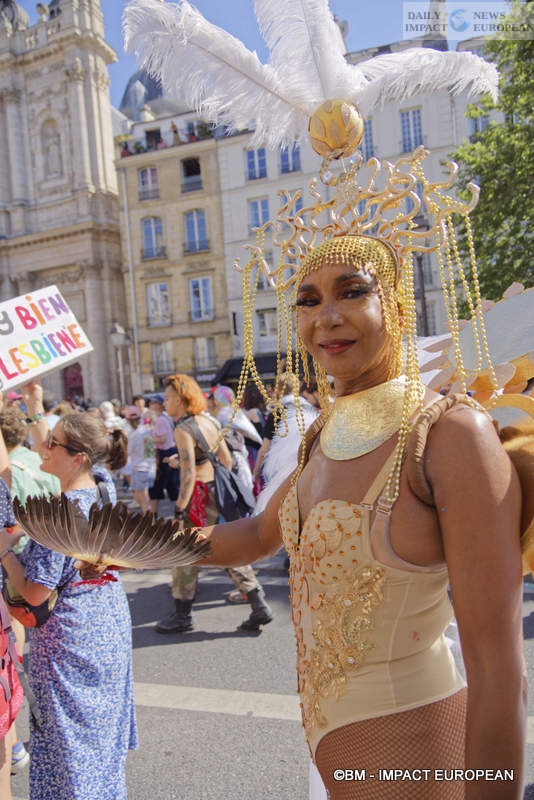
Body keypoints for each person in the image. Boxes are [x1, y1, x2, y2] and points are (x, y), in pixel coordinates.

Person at [157, 235, 524, 798]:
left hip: (419, 760)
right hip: (334, 762)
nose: (325, 317)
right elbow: (257, 535)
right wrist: (126, 545)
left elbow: (498, 668)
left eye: (352, 292)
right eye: (307, 301)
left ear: (396, 305)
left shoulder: (450, 435)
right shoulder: (324, 431)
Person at [0, 381, 138, 800]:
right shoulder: (100, 485)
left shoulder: (58, 518)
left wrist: (4, 551)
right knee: (99, 741)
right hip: (106, 624)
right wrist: (34, 407)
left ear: (76, 457)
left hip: (70, 641)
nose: (42, 447)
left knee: (71, 746)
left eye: (52, 444)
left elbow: (34, 594)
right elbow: (61, 451)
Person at [155, 374, 273, 634]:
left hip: (198, 498)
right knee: (226, 548)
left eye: (167, 398)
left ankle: (182, 615)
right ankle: (258, 603)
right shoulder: (209, 421)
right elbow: (226, 460)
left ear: (180, 399)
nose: (165, 403)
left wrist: (179, 510)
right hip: (216, 494)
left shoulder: (183, 428)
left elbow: (188, 475)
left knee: (184, 552)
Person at [147, 394, 180, 516]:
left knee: (156, 485)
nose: (151, 405)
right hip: (170, 451)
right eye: (150, 403)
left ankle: (153, 516)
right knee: (172, 485)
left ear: (159, 405)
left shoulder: (161, 419)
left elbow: (162, 439)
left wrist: (146, 439)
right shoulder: (166, 417)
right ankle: (179, 513)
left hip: (163, 454)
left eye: (153, 403)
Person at [123, 405, 156, 513]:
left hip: (140, 468)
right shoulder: (146, 430)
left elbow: (128, 451)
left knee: (144, 502)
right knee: (139, 499)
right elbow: (151, 452)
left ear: (128, 420)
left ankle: (150, 523)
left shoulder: (134, 434)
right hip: (149, 468)